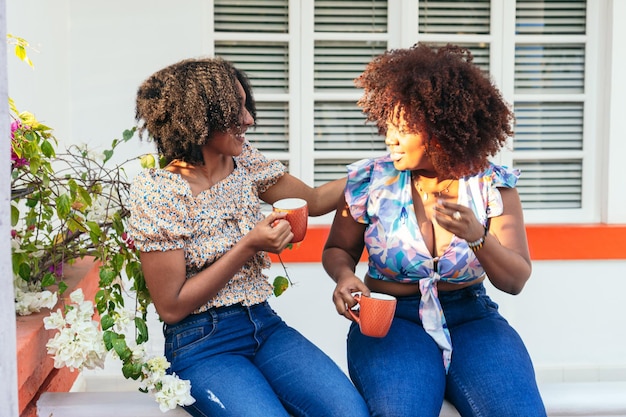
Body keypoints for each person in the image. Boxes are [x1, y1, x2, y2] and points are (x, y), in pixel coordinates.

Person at [128, 57, 370, 417]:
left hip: (264, 325)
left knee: (350, 413)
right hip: (201, 344)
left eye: (246, 106)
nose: (248, 119)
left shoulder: (245, 163)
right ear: (199, 117)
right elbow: (172, 305)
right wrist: (249, 245)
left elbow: (316, 201)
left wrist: (380, 170)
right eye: (235, 110)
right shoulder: (158, 192)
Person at [322, 43, 547, 417]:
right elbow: (337, 251)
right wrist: (344, 275)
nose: (390, 138)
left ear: (442, 127)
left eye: (404, 128)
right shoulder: (370, 179)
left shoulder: (492, 185)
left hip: (471, 317)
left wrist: (478, 236)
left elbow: (515, 280)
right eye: (388, 125)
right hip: (391, 319)